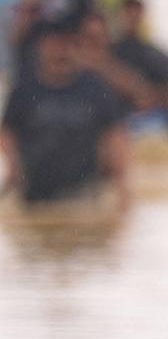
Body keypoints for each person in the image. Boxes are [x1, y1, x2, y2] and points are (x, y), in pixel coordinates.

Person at [1, 17, 130, 208]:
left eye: (66, 43)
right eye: (53, 43)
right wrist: (13, 168)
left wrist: (123, 189)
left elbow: (114, 136)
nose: (60, 50)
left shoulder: (94, 88)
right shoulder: (24, 90)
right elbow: (7, 132)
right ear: (41, 46)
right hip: (34, 193)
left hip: (83, 192)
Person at [107, 0, 168, 131]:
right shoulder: (109, 52)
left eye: (135, 14)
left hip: (147, 119)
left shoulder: (152, 52)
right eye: (128, 14)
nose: (132, 19)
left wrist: (149, 97)